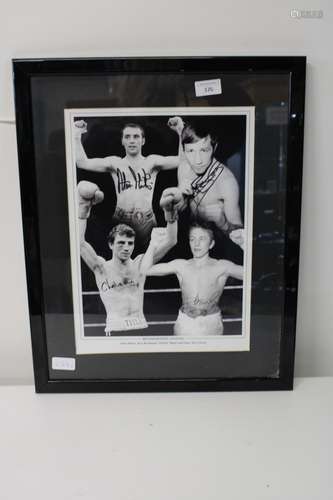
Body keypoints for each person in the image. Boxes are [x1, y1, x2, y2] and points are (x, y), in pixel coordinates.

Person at [78, 180, 181, 335]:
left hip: (140, 327)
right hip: (115, 329)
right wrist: (83, 211)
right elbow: (79, 243)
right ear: (111, 245)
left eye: (129, 243)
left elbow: (171, 240)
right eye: (121, 243)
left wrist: (170, 214)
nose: (126, 247)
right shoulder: (101, 267)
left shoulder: (140, 264)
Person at [74, 117, 184, 250]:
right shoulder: (114, 162)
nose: (132, 140)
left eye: (136, 136)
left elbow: (182, 161)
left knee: (147, 261)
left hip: (146, 220)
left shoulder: (152, 161)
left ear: (143, 141)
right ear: (122, 141)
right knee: (119, 259)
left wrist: (180, 131)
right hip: (120, 218)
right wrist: (76, 135)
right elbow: (82, 162)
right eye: (127, 137)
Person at [147, 220, 243, 336]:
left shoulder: (221, 266)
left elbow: (250, 274)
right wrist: (153, 244)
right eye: (192, 239)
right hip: (185, 322)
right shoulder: (181, 265)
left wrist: (244, 244)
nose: (196, 244)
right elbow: (146, 270)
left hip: (211, 323)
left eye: (202, 239)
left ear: (211, 244)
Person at [168, 120, 244, 250]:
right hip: (188, 238)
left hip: (217, 246)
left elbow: (242, 238)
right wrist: (179, 198)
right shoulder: (185, 166)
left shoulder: (226, 183)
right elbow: (178, 209)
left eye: (204, 150)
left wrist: (223, 223)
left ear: (214, 148)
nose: (197, 161)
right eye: (191, 151)